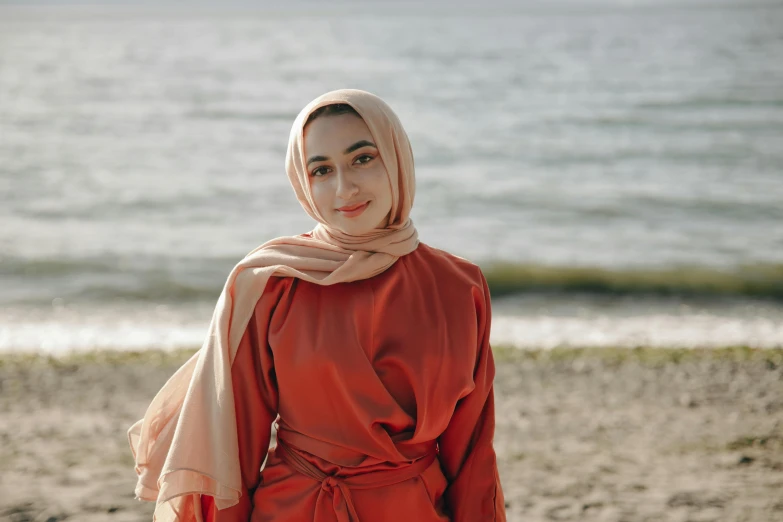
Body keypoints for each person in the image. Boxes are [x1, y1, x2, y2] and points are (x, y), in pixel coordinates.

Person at [128, 89, 506, 522]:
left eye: (363, 158)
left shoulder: (460, 287)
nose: (344, 188)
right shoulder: (274, 283)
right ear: (302, 182)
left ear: (397, 158)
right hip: (292, 510)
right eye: (321, 170)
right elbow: (236, 443)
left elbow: (473, 453)